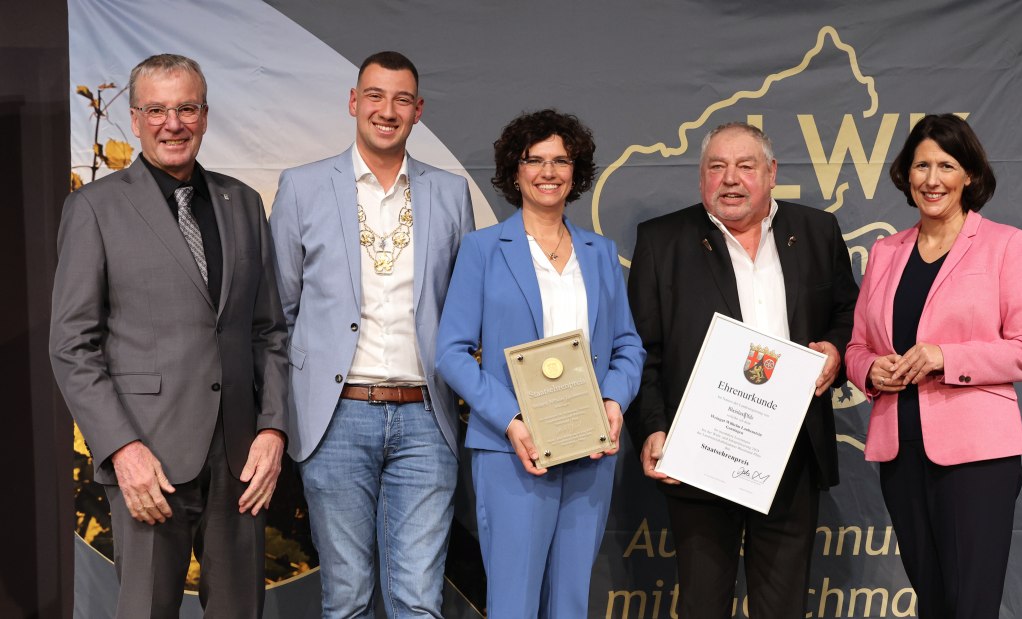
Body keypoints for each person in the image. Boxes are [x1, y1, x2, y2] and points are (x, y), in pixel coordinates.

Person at [50, 53, 288, 618]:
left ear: (205, 115)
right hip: (147, 459)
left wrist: (273, 428)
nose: (172, 123)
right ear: (135, 119)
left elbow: (269, 332)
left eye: (185, 108)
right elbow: (71, 346)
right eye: (156, 110)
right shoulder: (93, 209)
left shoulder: (244, 203)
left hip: (240, 461)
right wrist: (122, 450)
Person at [269, 51, 474, 618]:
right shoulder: (303, 187)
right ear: (354, 102)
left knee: (418, 600)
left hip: (425, 418)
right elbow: (279, 314)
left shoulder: (450, 193)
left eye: (402, 99)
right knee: (347, 597)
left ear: (418, 110)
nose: (388, 110)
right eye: (376, 96)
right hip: (337, 416)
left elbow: (461, 316)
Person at [626, 122, 858, 618]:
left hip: (791, 450)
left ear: (771, 173)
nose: (731, 179)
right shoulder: (662, 241)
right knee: (704, 604)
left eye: (745, 166)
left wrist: (835, 352)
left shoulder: (817, 231)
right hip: (699, 451)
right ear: (701, 178)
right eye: (717, 167)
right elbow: (642, 350)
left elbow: (847, 313)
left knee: (783, 606)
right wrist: (653, 428)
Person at [435, 109, 644, 618]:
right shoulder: (483, 249)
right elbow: (451, 353)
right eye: (535, 160)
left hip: (589, 449)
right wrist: (512, 420)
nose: (548, 172)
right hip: (513, 451)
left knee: (571, 601)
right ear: (515, 170)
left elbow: (627, 346)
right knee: (514, 603)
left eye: (560, 160)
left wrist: (614, 401)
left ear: (576, 171)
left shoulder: (600, 253)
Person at [845, 114, 1022, 618]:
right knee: (933, 602)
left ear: (970, 176)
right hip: (901, 451)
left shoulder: (1007, 244)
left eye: (946, 165)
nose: (931, 179)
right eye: (921, 166)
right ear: (905, 174)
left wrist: (946, 357)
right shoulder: (886, 250)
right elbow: (855, 347)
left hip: (978, 458)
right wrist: (870, 371)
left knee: (970, 605)